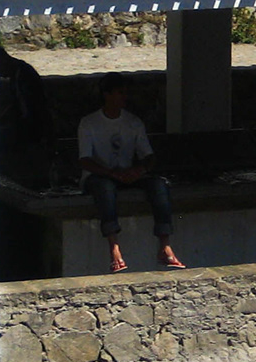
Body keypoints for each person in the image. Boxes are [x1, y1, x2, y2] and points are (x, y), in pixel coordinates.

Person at [77, 74, 184, 273]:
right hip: (100, 176)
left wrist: (139, 170)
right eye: (120, 93)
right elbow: (85, 159)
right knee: (105, 189)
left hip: (126, 174)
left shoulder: (133, 122)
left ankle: (165, 245)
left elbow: (148, 156)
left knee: (159, 185)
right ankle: (114, 248)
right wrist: (111, 173)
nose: (124, 97)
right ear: (107, 94)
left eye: (126, 93)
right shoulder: (89, 123)